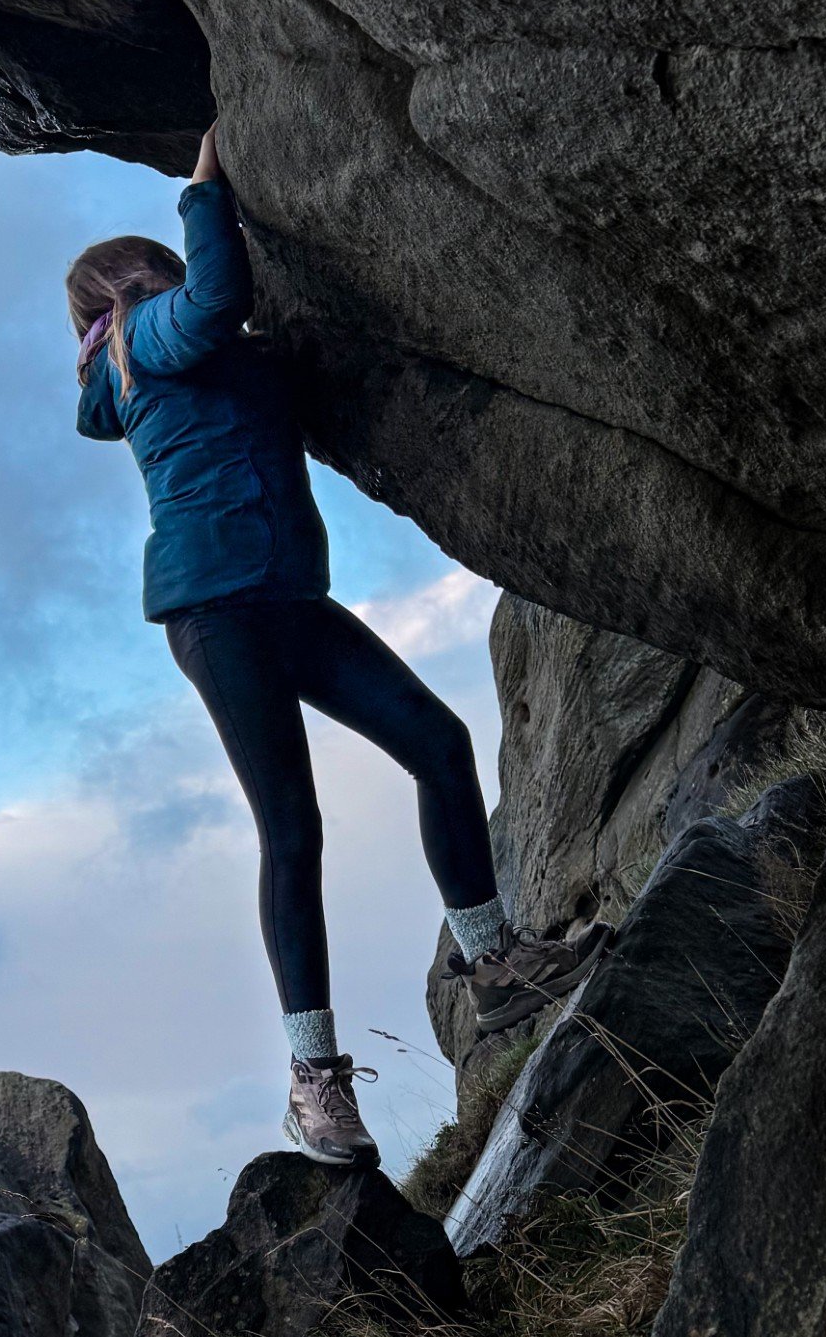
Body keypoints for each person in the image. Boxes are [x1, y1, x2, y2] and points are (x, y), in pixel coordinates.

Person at [71, 125, 606, 1168]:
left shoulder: (203, 350)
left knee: (436, 737)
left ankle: (492, 959)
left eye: (156, 264)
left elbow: (276, 348)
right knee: (294, 826)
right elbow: (211, 294)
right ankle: (315, 1082)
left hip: (285, 599)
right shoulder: (153, 343)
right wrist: (202, 186)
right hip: (217, 616)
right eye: (136, 276)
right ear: (118, 302)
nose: (158, 275)